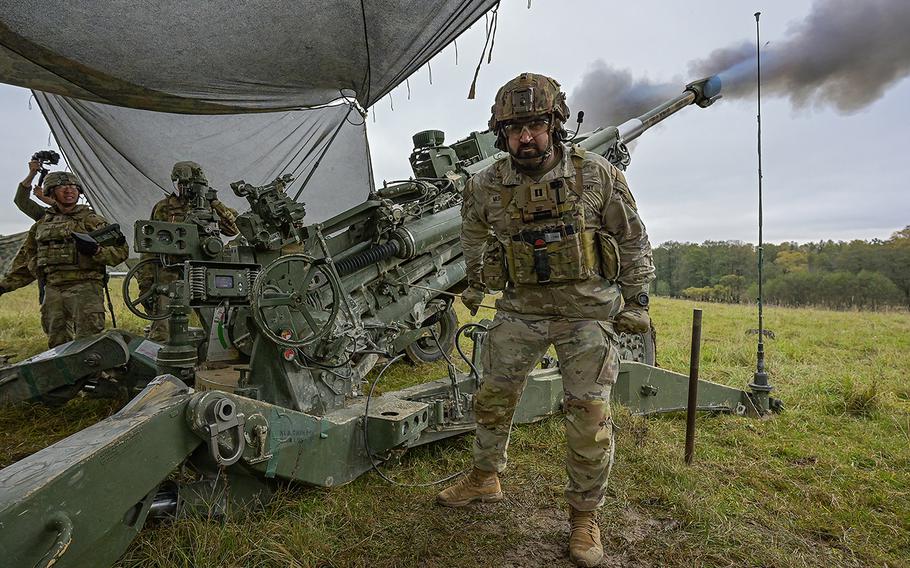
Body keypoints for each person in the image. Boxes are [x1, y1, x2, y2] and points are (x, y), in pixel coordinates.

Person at [436, 73, 654, 567]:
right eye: (514, 129)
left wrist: (637, 301)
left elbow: (633, 239)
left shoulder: (597, 175)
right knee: (491, 397)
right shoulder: (485, 184)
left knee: (589, 418)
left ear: (555, 125)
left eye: (536, 125)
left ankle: (583, 518)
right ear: (501, 134)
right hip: (521, 310)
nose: (525, 137)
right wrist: (476, 280)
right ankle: (486, 477)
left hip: (586, 312)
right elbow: (472, 233)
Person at [0, 171, 129, 348]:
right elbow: (27, 261)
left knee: (89, 343)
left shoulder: (92, 221)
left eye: (74, 187)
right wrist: (5, 286)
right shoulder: (41, 225)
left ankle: (94, 376)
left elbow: (120, 252)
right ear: (51, 192)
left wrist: (97, 250)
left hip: (86, 289)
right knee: (57, 342)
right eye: (62, 187)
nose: (69, 190)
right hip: (53, 290)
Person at [138, 161, 239, 342]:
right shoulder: (164, 207)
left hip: (204, 273)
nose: (183, 188)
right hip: (170, 273)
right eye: (180, 183)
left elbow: (233, 229)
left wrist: (215, 202)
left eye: (189, 184)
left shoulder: (210, 207)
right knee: (163, 328)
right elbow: (149, 249)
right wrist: (145, 284)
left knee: (218, 328)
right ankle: (163, 363)